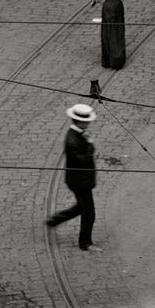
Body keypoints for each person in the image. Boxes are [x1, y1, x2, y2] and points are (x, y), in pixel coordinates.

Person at [47, 103, 99, 249]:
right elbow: (83, 159)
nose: (89, 123)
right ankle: (85, 243)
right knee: (89, 213)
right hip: (79, 182)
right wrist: (90, 145)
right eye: (87, 121)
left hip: (79, 180)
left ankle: (54, 221)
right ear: (80, 121)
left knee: (80, 207)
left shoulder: (78, 134)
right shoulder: (73, 140)